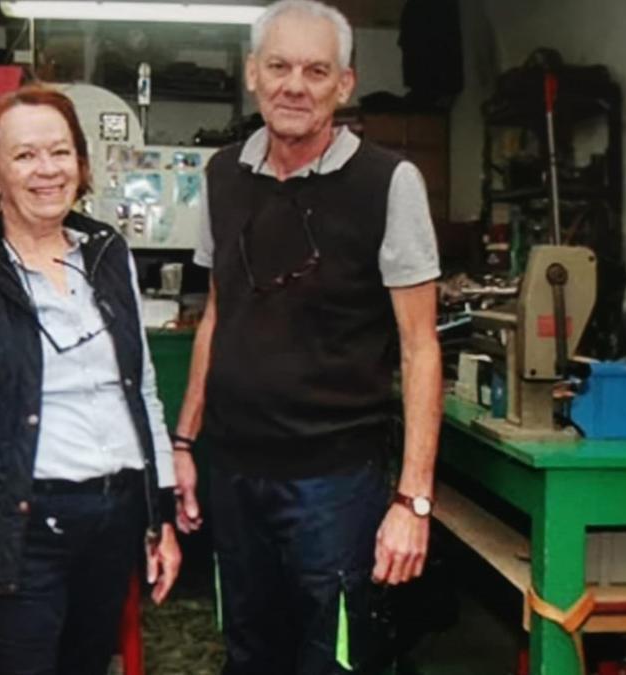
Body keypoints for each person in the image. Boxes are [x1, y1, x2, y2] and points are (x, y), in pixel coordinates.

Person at [170, 1, 443, 673]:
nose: (296, 85)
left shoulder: (389, 183)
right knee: (248, 651)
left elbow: (420, 347)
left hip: (335, 482)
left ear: (343, 84)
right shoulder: (223, 175)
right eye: (280, 66)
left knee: (335, 659)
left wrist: (412, 499)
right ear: (253, 75)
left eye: (316, 70)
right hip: (234, 472)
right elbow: (217, 314)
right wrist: (184, 440)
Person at [0, 84, 182, 675]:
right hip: (19, 532)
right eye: (25, 156)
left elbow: (144, 394)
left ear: (81, 165)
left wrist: (158, 518)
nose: (47, 170)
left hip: (112, 523)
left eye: (59, 152)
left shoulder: (109, 255)